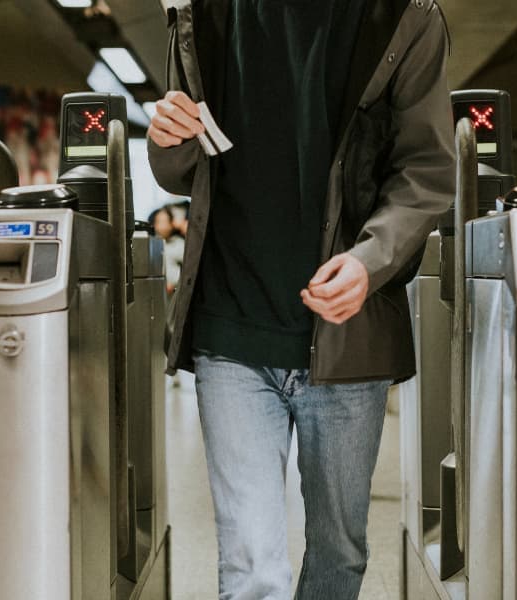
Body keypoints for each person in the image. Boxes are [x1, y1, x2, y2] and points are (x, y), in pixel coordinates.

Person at [147, 1, 455, 598]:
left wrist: (369, 262)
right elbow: (184, 167)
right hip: (231, 328)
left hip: (348, 336)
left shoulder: (407, 17)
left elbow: (427, 170)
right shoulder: (201, 12)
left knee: (340, 552)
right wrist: (167, 139)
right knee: (252, 567)